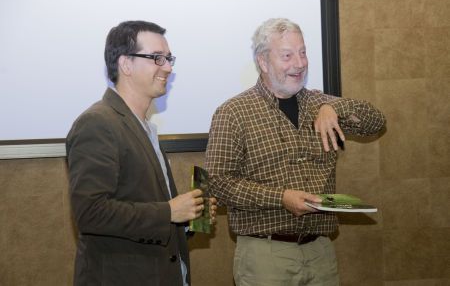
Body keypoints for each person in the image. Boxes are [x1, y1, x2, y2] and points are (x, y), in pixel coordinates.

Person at [205, 18, 386, 285]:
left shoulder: (320, 102)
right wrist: (281, 197)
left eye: (303, 53)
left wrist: (337, 108)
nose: (299, 63)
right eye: (287, 55)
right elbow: (218, 183)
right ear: (263, 62)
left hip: (320, 250)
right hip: (265, 253)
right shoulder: (233, 112)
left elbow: (377, 122)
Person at [66, 20, 216, 286]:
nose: (168, 67)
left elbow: (144, 207)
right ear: (125, 64)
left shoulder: (146, 127)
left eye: (169, 58)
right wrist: (169, 212)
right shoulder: (98, 122)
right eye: (157, 58)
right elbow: (90, 213)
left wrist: (187, 218)